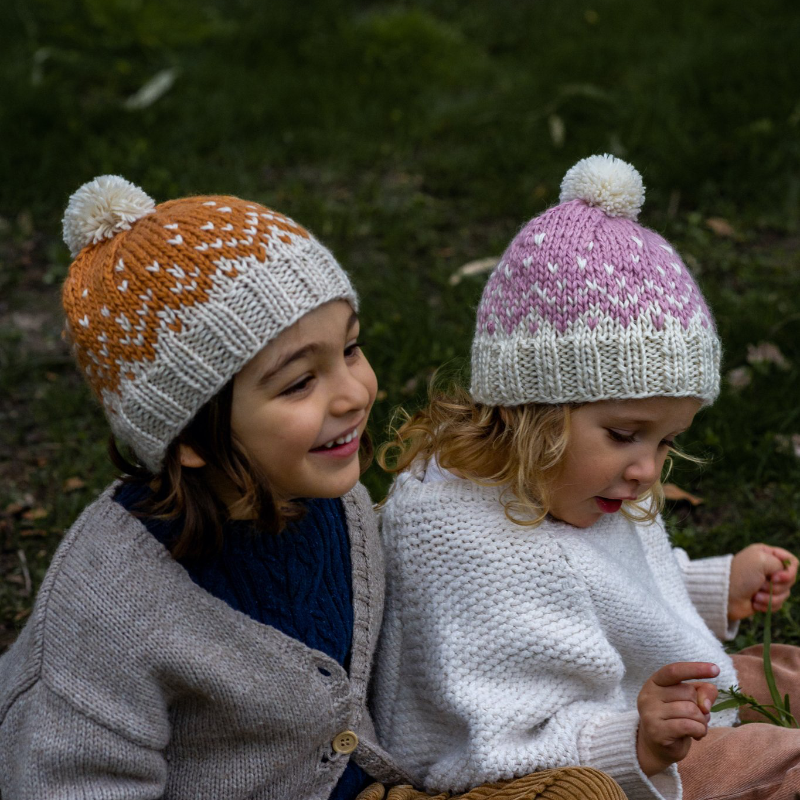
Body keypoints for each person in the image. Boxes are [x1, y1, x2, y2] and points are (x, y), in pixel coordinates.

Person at [0, 176, 624, 800]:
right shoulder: (107, 605)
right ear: (187, 438)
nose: (354, 393)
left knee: (582, 793)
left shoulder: (334, 500)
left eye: (350, 348)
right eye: (299, 383)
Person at [372, 155, 800, 800]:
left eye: (667, 440)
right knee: (784, 762)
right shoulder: (466, 546)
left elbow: (611, 591)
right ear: (530, 412)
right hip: (619, 757)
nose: (648, 467)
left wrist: (715, 586)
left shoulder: (572, 485)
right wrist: (637, 743)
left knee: (790, 672)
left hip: (657, 701)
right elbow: (493, 740)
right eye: (626, 435)